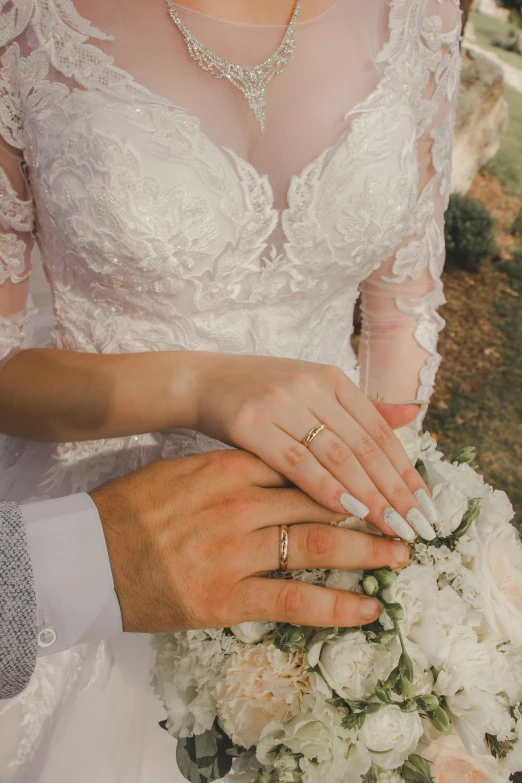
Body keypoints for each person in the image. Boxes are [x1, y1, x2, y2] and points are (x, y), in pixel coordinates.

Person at [0, 0, 462, 780]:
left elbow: (401, 320)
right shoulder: (26, 21)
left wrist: (383, 545)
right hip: (106, 532)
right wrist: (201, 384)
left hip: (322, 528)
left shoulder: (424, 18)